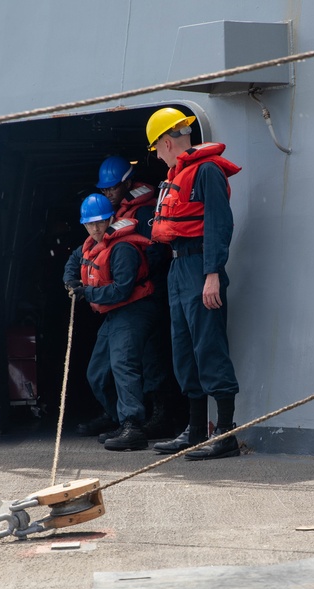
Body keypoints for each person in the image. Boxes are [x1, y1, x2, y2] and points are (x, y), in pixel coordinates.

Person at [144, 107, 242, 461]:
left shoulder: (206, 171)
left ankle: (227, 434)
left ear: (167, 143)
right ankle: (196, 430)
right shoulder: (178, 175)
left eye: (156, 149)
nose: (157, 156)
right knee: (184, 351)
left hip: (201, 266)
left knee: (209, 348)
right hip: (178, 268)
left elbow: (219, 223)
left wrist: (213, 272)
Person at [63, 193, 159, 451]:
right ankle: (120, 419)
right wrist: (70, 280)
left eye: (101, 222)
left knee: (123, 365)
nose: (95, 228)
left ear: (111, 219)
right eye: (90, 223)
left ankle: (133, 426)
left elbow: (122, 290)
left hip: (134, 310)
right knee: (97, 372)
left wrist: (88, 293)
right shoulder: (90, 244)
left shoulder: (123, 248)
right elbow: (73, 262)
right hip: (115, 314)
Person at [97, 155, 174, 440]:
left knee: (152, 358)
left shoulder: (142, 214)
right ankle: (120, 416)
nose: (108, 194)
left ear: (127, 183)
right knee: (112, 363)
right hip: (124, 299)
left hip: (148, 295)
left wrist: (131, 279)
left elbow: (155, 253)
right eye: (104, 190)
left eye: (113, 188)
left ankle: (160, 416)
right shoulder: (116, 215)